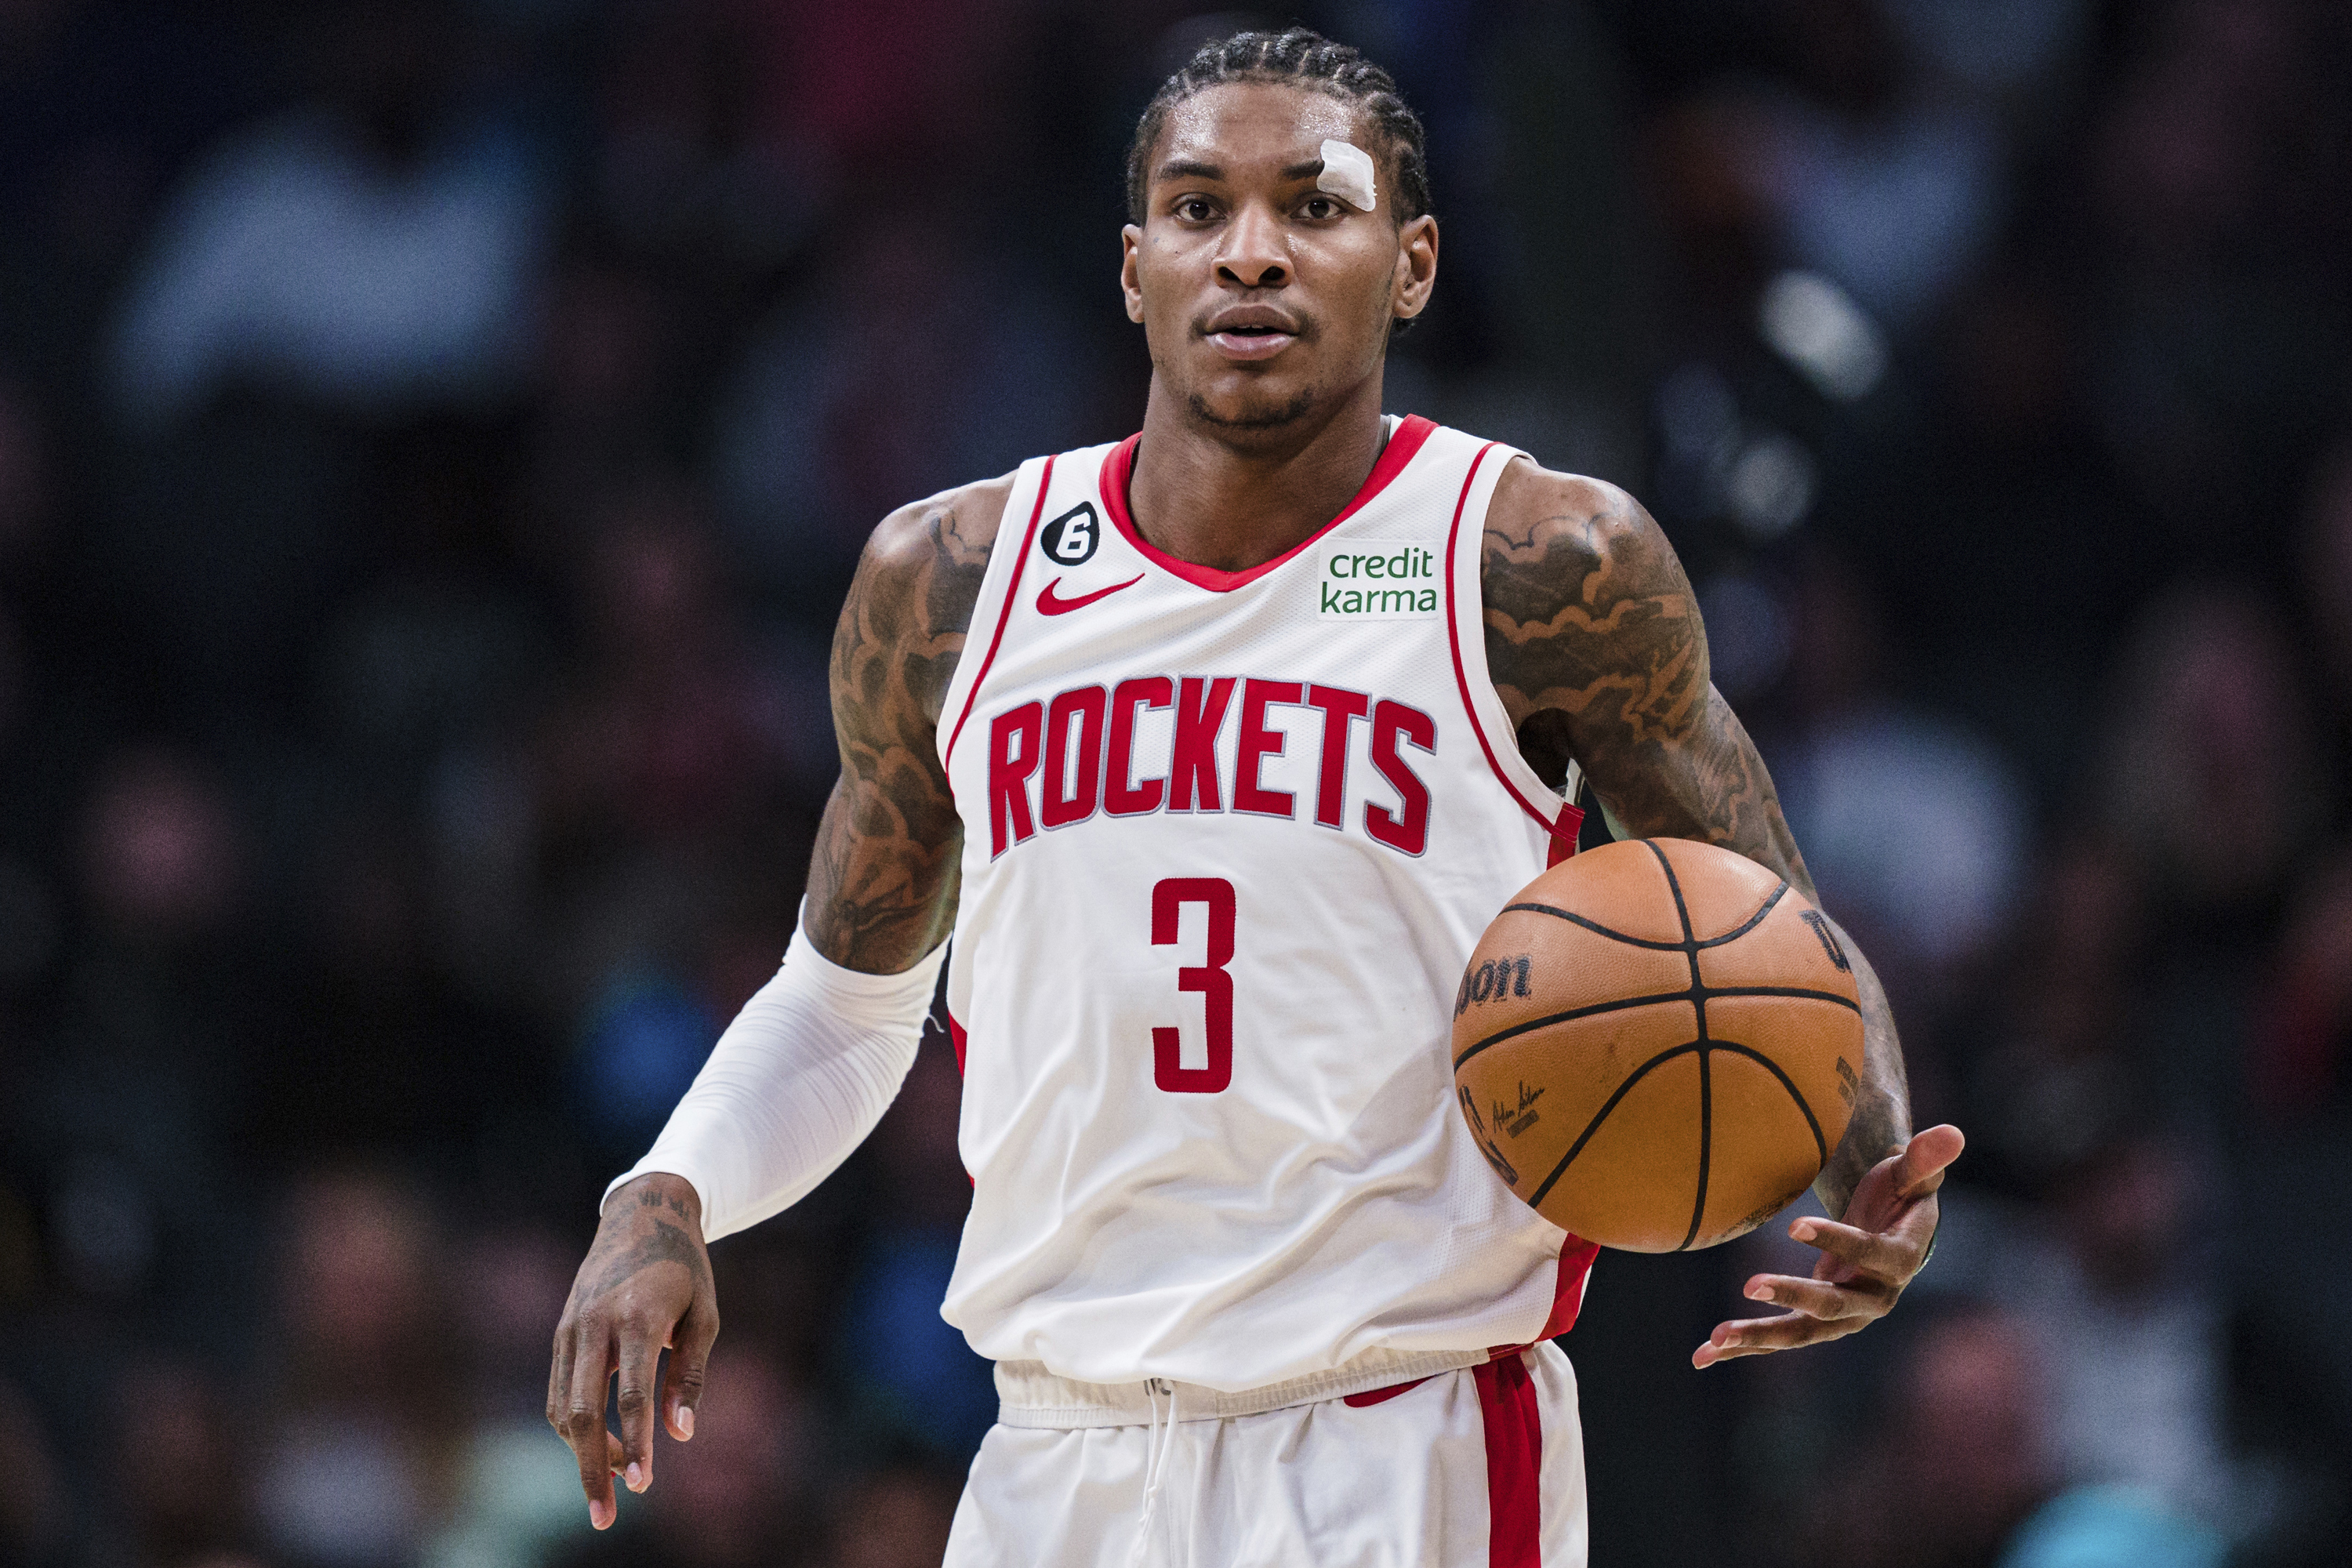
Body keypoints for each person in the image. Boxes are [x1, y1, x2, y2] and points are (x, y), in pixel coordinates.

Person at [547, 30, 1962, 1566]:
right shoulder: (951, 580)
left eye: (1316, 206)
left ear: (1412, 265)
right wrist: (665, 1190)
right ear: (1134, 264)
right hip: (1053, 1456)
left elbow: (1780, 938)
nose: (1253, 253)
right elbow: (845, 1005)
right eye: (1201, 207)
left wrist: (1866, 1155)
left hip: (1395, 1442)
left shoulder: (1538, 563)